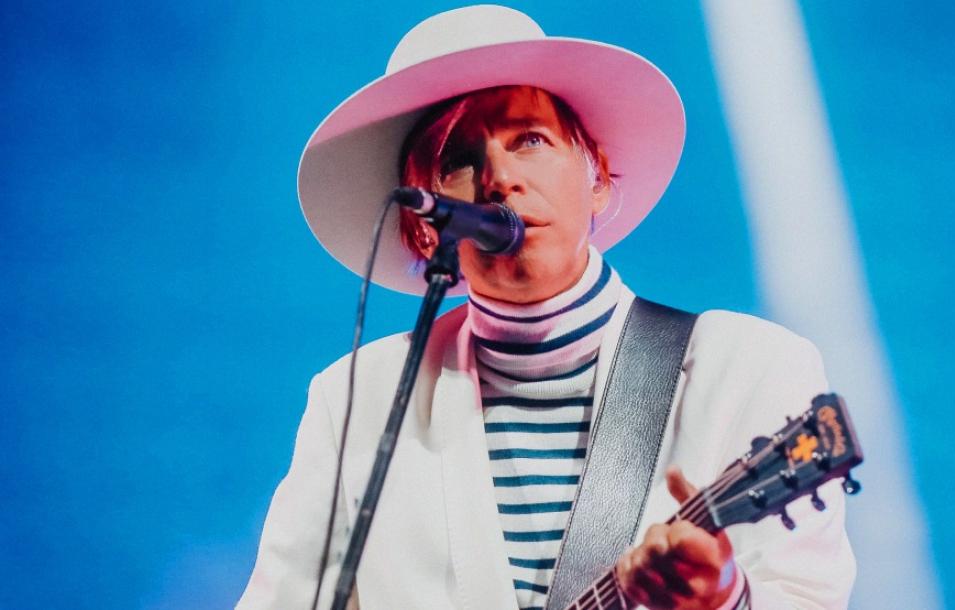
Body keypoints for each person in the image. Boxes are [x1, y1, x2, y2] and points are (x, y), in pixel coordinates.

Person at [240, 6, 855, 610]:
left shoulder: (749, 369)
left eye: (530, 140)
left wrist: (724, 600)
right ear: (424, 227)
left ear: (598, 179)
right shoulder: (357, 398)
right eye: (457, 160)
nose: (498, 178)